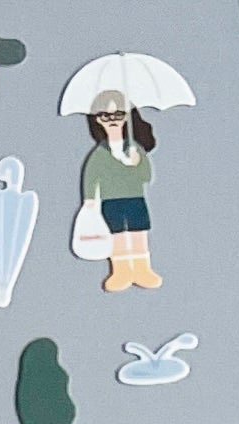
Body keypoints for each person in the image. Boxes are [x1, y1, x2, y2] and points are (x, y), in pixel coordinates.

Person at [81, 92, 161, 290]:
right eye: (105, 116)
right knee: (116, 234)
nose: (112, 121)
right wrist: (89, 199)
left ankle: (142, 269)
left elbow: (147, 176)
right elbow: (91, 176)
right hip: (111, 199)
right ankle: (121, 270)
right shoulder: (100, 153)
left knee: (138, 231)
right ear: (97, 120)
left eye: (118, 114)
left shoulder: (134, 149)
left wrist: (137, 162)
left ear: (126, 117)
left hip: (134, 197)